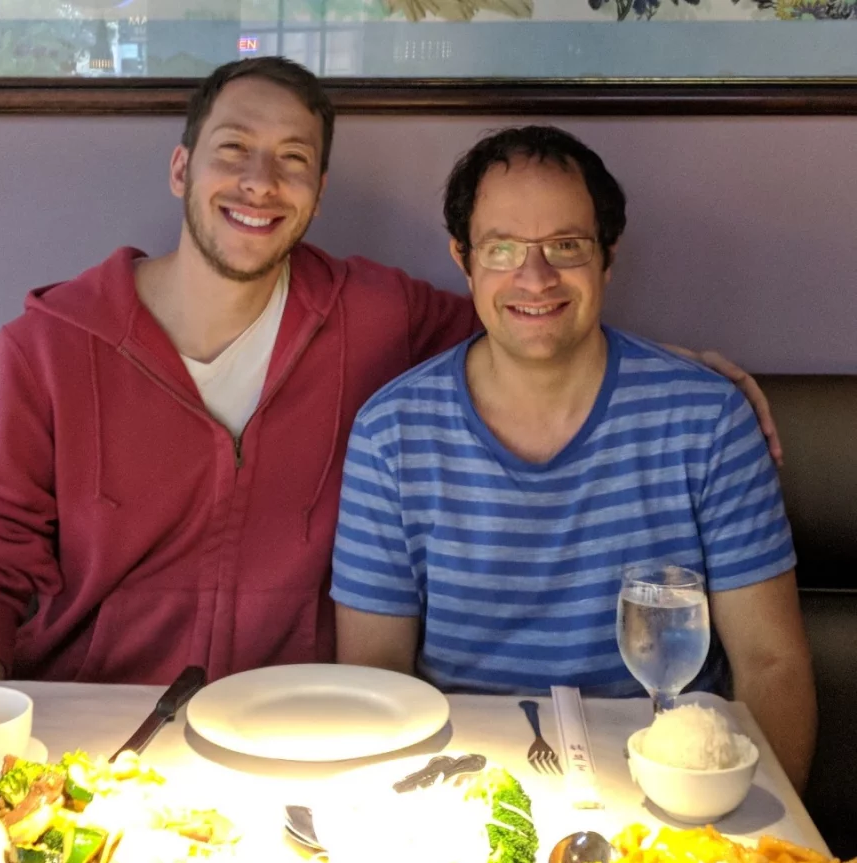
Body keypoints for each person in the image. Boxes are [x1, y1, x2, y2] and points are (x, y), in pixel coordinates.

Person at [0, 57, 779, 697]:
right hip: (94, 716)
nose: (261, 181)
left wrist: (684, 370)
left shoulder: (373, 311)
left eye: (293, 159)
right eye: (234, 150)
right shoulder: (45, 348)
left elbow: (534, 318)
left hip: (293, 720)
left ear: (318, 192)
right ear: (182, 169)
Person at [331, 125, 816, 791]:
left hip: (672, 790)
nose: (535, 277)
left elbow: (771, 664)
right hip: (462, 789)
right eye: (502, 248)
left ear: (606, 258)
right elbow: (376, 674)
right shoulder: (392, 432)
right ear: (463, 259)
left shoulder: (706, 419)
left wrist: (759, 843)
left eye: (566, 245)